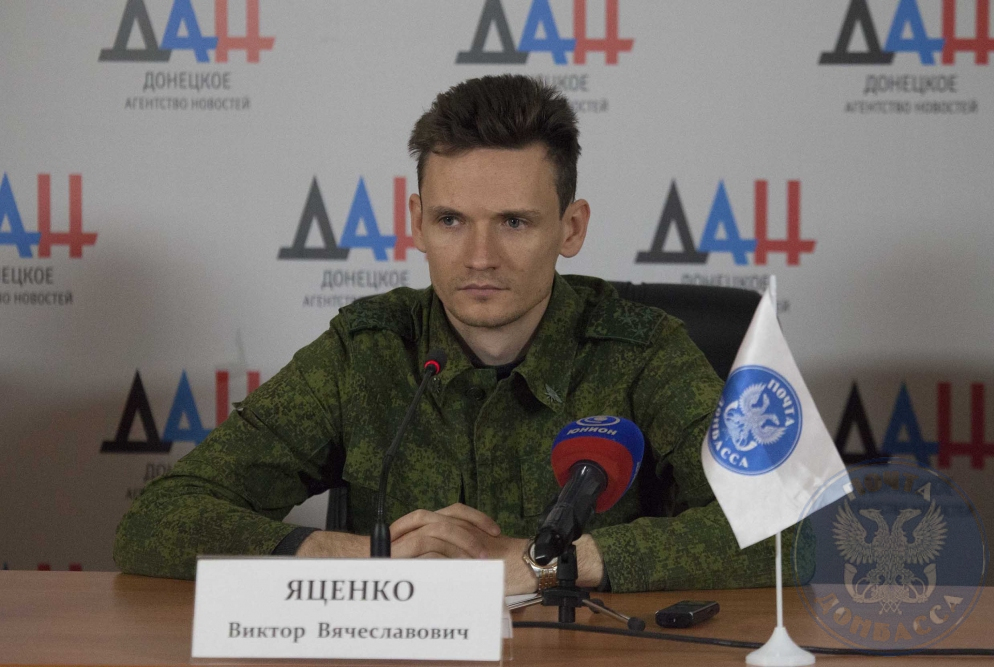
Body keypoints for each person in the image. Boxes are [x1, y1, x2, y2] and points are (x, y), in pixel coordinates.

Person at [114, 74, 809, 594]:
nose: (479, 257)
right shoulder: (365, 352)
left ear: (570, 228)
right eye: (451, 221)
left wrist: (551, 563)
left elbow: (790, 531)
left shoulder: (645, 351)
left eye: (514, 222)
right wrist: (366, 556)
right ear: (416, 223)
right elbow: (157, 519)